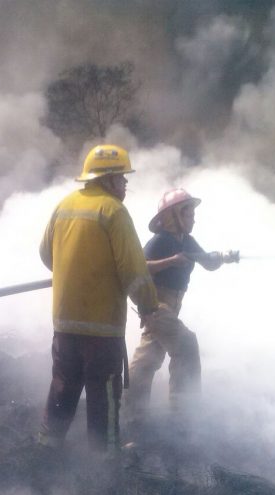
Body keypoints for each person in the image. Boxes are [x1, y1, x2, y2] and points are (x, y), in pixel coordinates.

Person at [38, 144, 159, 453]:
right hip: (102, 330)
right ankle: (102, 469)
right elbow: (135, 271)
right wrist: (148, 307)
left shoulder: (64, 205)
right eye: (123, 178)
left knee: (62, 389)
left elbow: (45, 254)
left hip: (65, 326)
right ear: (108, 179)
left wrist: (72, 271)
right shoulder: (114, 211)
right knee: (103, 399)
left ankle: (45, 454)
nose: (126, 185)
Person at [125, 188, 238, 424]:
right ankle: (184, 412)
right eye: (188, 213)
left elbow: (206, 261)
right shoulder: (161, 241)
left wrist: (222, 257)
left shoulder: (186, 240)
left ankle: (134, 413)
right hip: (155, 302)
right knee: (186, 344)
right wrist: (171, 261)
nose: (193, 218)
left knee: (149, 357)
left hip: (173, 304)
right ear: (173, 216)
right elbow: (139, 267)